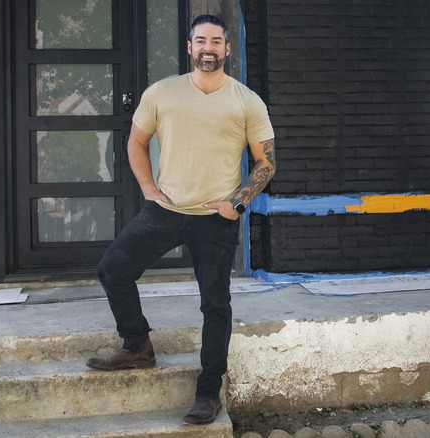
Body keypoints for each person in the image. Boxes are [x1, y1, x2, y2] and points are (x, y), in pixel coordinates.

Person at [86, 14, 276, 425]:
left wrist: (237, 203)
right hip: (164, 211)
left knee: (215, 304)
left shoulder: (247, 101)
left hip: (216, 218)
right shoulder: (162, 94)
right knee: (113, 270)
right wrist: (149, 190)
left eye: (216, 41)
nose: (208, 47)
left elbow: (266, 162)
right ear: (189, 47)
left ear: (227, 49)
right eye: (200, 40)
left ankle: (208, 392)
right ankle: (137, 345)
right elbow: (136, 142)